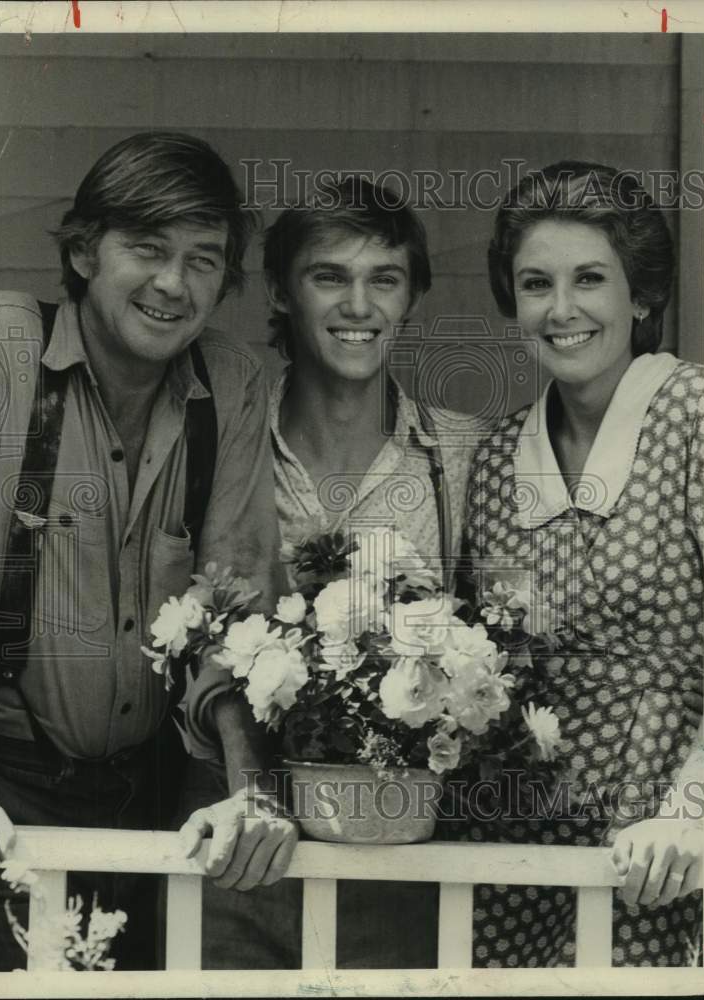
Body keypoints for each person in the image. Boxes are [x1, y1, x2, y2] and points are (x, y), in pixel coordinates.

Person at [0, 131, 297, 971]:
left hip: (151, 801)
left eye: (203, 260)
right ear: (84, 250)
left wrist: (248, 793)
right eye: (147, 248)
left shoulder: (227, 385)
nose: (172, 284)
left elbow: (238, 612)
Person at [184, 175, 479, 969]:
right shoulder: (220, 439)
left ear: (410, 297)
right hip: (241, 853)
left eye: (383, 279)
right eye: (329, 277)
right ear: (280, 293)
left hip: (398, 865)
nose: (359, 306)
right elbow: (182, 628)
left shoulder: (462, 455)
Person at [459, 160, 703, 966]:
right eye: (536, 284)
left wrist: (698, 808)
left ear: (641, 296)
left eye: (590, 279)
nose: (561, 311)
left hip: (670, 851)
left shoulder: (703, 417)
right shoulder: (495, 458)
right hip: (519, 861)